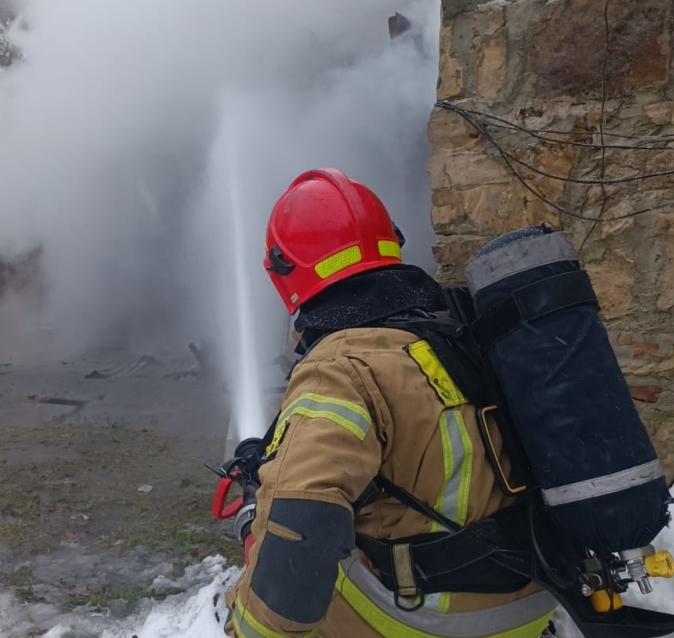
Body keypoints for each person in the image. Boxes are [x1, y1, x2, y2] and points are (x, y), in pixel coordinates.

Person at [222, 168, 557, 638]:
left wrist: (245, 628)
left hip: (438, 620)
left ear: (286, 271)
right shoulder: (456, 336)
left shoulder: (338, 369)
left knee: (295, 555)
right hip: (537, 600)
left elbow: (304, 530)